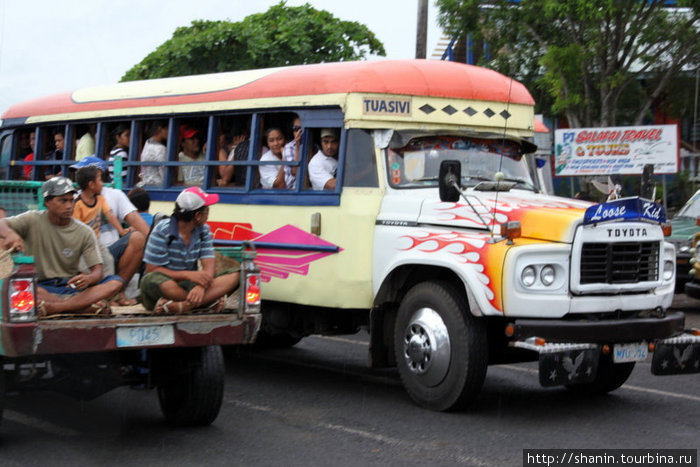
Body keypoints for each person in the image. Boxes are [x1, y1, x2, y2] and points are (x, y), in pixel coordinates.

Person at [0, 177, 123, 316]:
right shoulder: (31, 219)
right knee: (24, 288)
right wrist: (10, 234)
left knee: (115, 282)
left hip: (69, 286)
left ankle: (57, 308)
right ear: (47, 202)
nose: (69, 206)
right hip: (40, 285)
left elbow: (98, 271)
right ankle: (79, 307)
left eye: (71, 200)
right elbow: (1, 224)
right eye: (63, 201)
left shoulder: (84, 231)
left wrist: (89, 278)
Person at [140, 187, 239, 314]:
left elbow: (209, 266)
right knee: (154, 280)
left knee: (235, 274)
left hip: (189, 286)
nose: (208, 213)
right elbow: (152, 269)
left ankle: (184, 305)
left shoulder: (203, 230)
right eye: (206, 210)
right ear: (198, 215)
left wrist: (201, 286)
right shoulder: (162, 231)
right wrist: (188, 275)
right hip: (163, 287)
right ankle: (203, 303)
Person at [139, 120, 168, 186]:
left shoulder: (147, 143)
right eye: (167, 129)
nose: (169, 132)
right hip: (157, 184)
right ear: (160, 129)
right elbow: (164, 172)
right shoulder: (160, 148)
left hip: (145, 183)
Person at [281, 116, 302, 189]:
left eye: (302, 129)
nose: (299, 132)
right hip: (293, 190)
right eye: (296, 129)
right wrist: (297, 146)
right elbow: (295, 172)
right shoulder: (289, 147)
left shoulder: (314, 146)